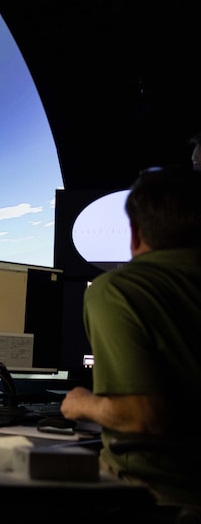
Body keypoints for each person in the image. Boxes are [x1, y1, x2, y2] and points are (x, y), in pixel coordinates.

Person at [61, 168, 201, 506]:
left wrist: (82, 402)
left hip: (160, 492)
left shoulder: (120, 288)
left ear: (135, 234)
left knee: (2, 505)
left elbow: (142, 417)